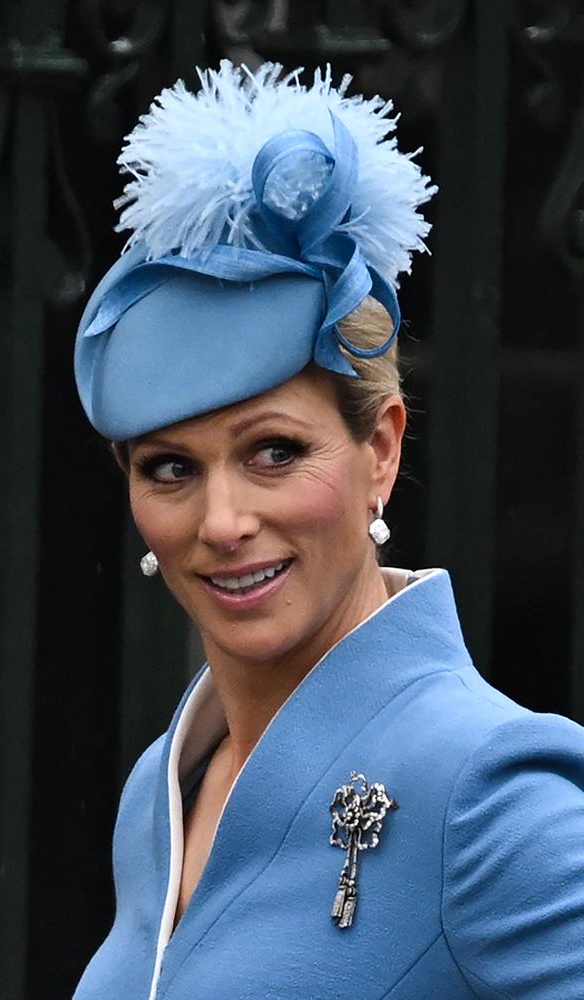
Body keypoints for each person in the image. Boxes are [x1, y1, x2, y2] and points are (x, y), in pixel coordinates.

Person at [72, 62, 584, 999]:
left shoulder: (487, 787)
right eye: (171, 468)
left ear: (380, 452)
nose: (223, 522)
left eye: (273, 452)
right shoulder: (166, 781)